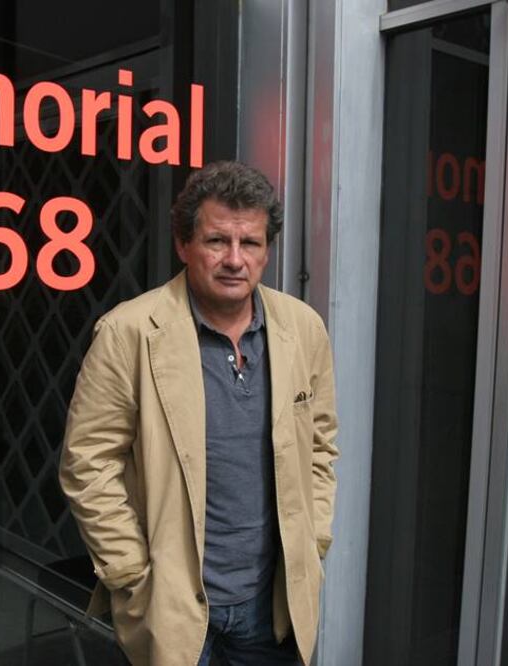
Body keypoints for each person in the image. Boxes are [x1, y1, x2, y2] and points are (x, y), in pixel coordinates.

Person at [59, 161, 339, 666]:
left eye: (250, 243)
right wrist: (130, 575)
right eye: (216, 242)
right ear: (183, 245)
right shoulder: (130, 332)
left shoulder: (303, 329)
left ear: (266, 250)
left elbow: (320, 445)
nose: (235, 259)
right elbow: (88, 464)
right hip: (171, 604)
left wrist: (314, 539)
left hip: (271, 602)